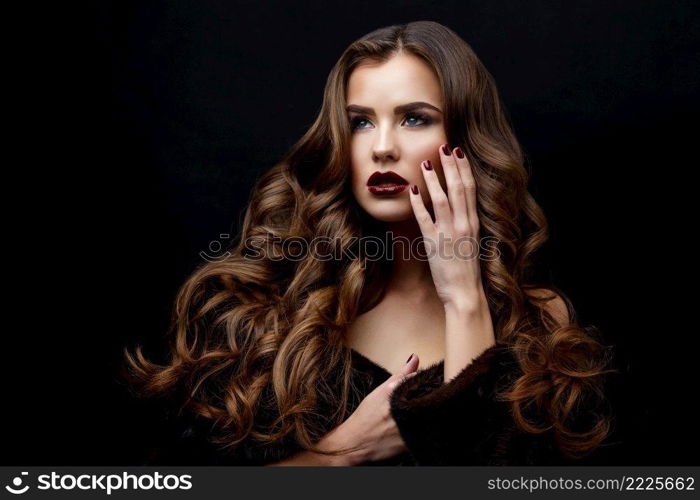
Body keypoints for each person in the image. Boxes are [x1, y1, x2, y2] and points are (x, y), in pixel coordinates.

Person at [121, 20, 616, 466]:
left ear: (467, 138)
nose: (382, 146)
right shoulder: (250, 306)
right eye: (360, 121)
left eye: (414, 118)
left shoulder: (537, 322)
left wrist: (464, 300)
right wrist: (339, 454)